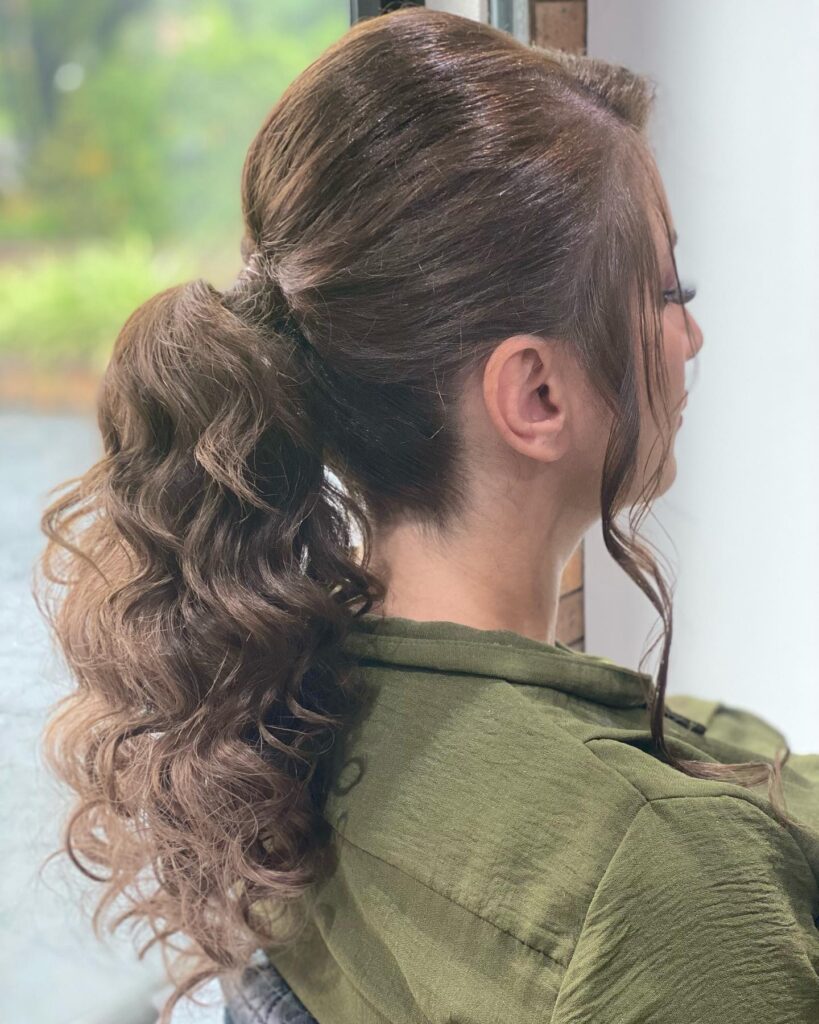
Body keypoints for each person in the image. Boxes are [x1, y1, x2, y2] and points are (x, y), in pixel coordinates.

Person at [34, 8, 819, 1024]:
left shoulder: (284, 707)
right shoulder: (659, 888)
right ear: (536, 394)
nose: (692, 335)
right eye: (672, 290)